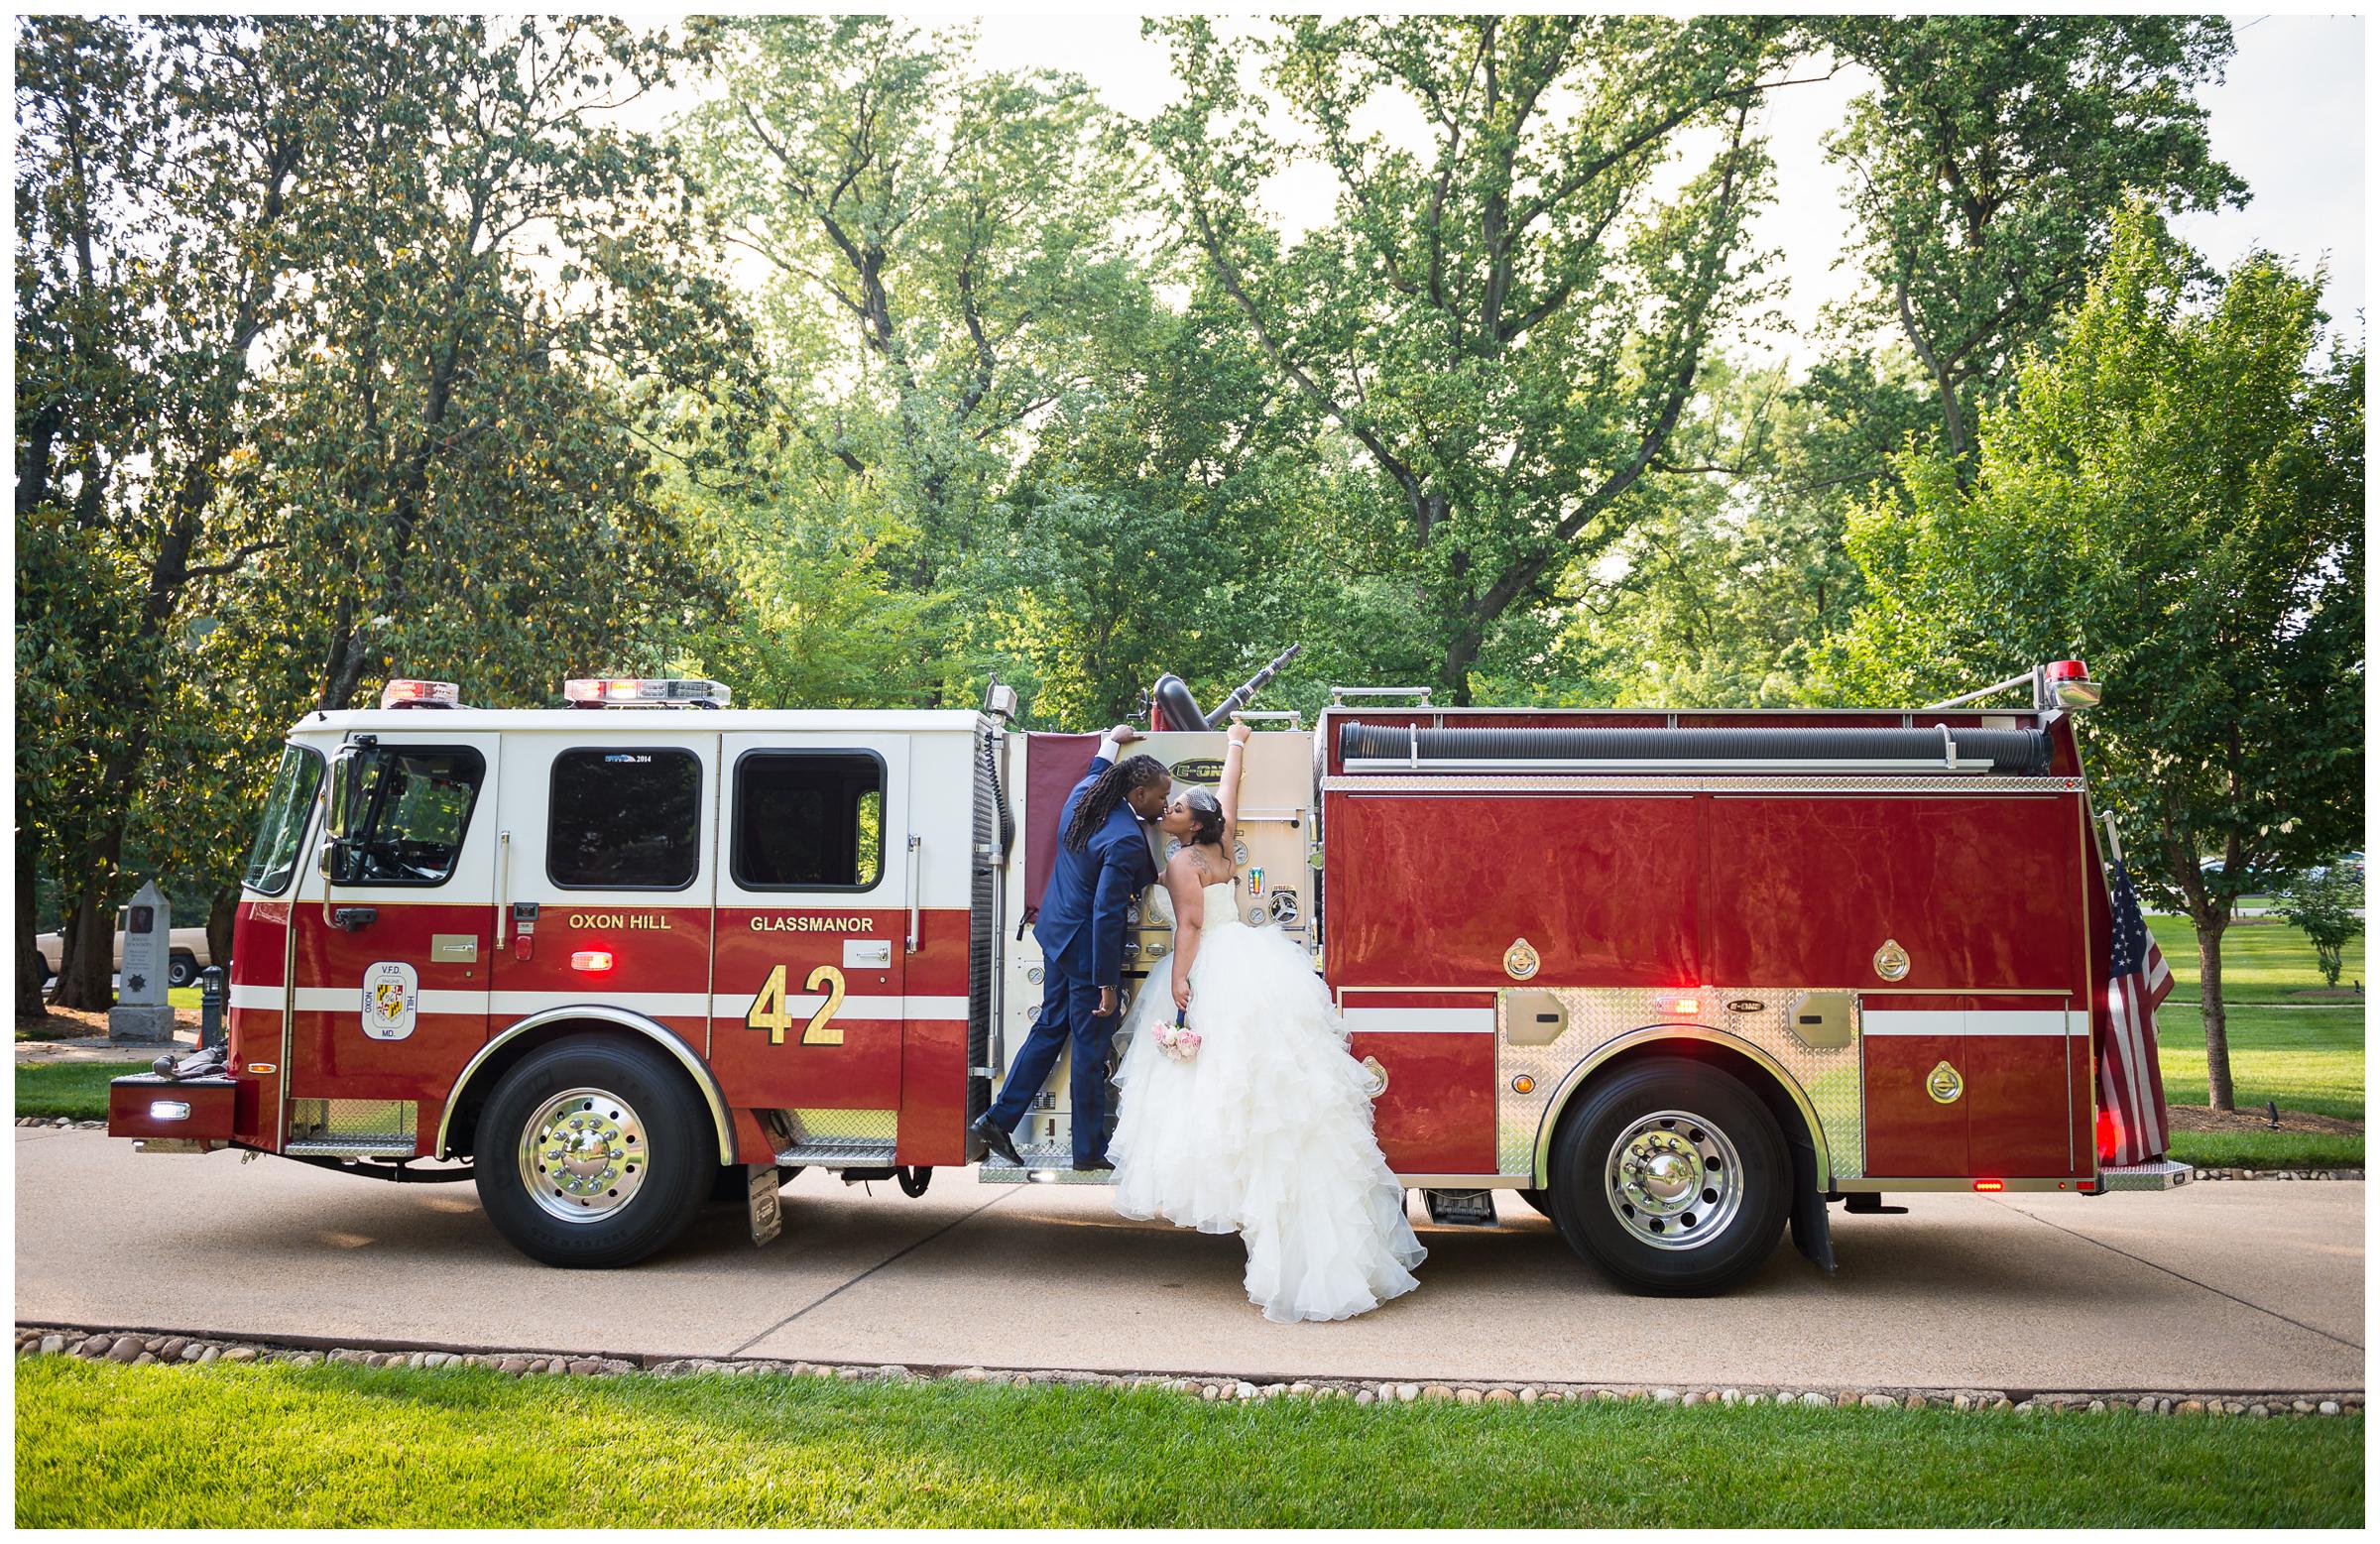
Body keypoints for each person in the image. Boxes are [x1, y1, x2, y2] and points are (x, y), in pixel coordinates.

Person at [1109, 719, 1426, 1322]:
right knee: (1272, 1089)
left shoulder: (1181, 863)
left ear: (1190, 826)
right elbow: (1227, 795)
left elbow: (1193, 927)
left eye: (1176, 807)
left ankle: (1256, 1207)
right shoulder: (1221, 849)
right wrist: (1235, 743)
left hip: (1216, 963)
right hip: (1255, 960)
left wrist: (1180, 981)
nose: (1168, 808)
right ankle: (1286, 1223)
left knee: (1227, 1092)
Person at [972, 725, 1170, 1172]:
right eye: (1161, 797)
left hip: (1056, 930)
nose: (1163, 805)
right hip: (1084, 947)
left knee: (1051, 1026)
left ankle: (998, 1119)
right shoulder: (1123, 838)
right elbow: (1106, 913)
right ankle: (1088, 1152)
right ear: (1137, 793)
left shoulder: (1087, 792)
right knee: (1090, 1046)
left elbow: (1098, 767)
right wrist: (1104, 983)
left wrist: (1113, 739)